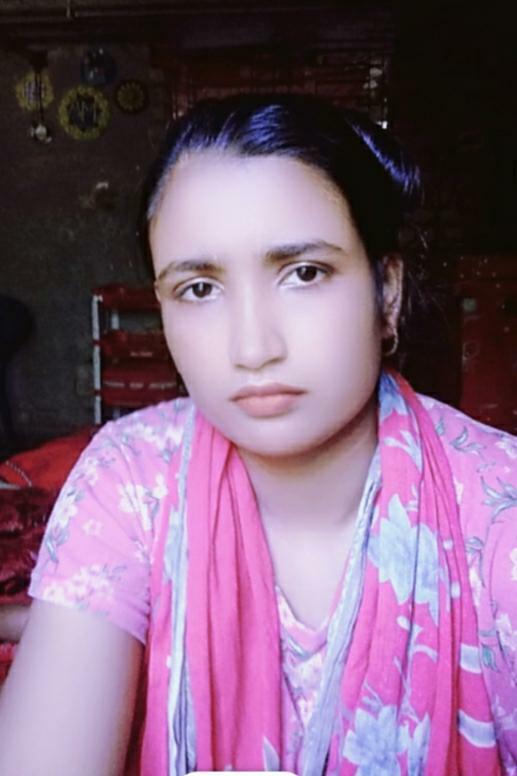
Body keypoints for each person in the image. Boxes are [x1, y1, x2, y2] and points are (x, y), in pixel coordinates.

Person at [0, 93, 516, 776]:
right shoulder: (132, 480)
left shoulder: (497, 506)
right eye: (199, 288)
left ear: (386, 292)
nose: (252, 347)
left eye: (304, 273)